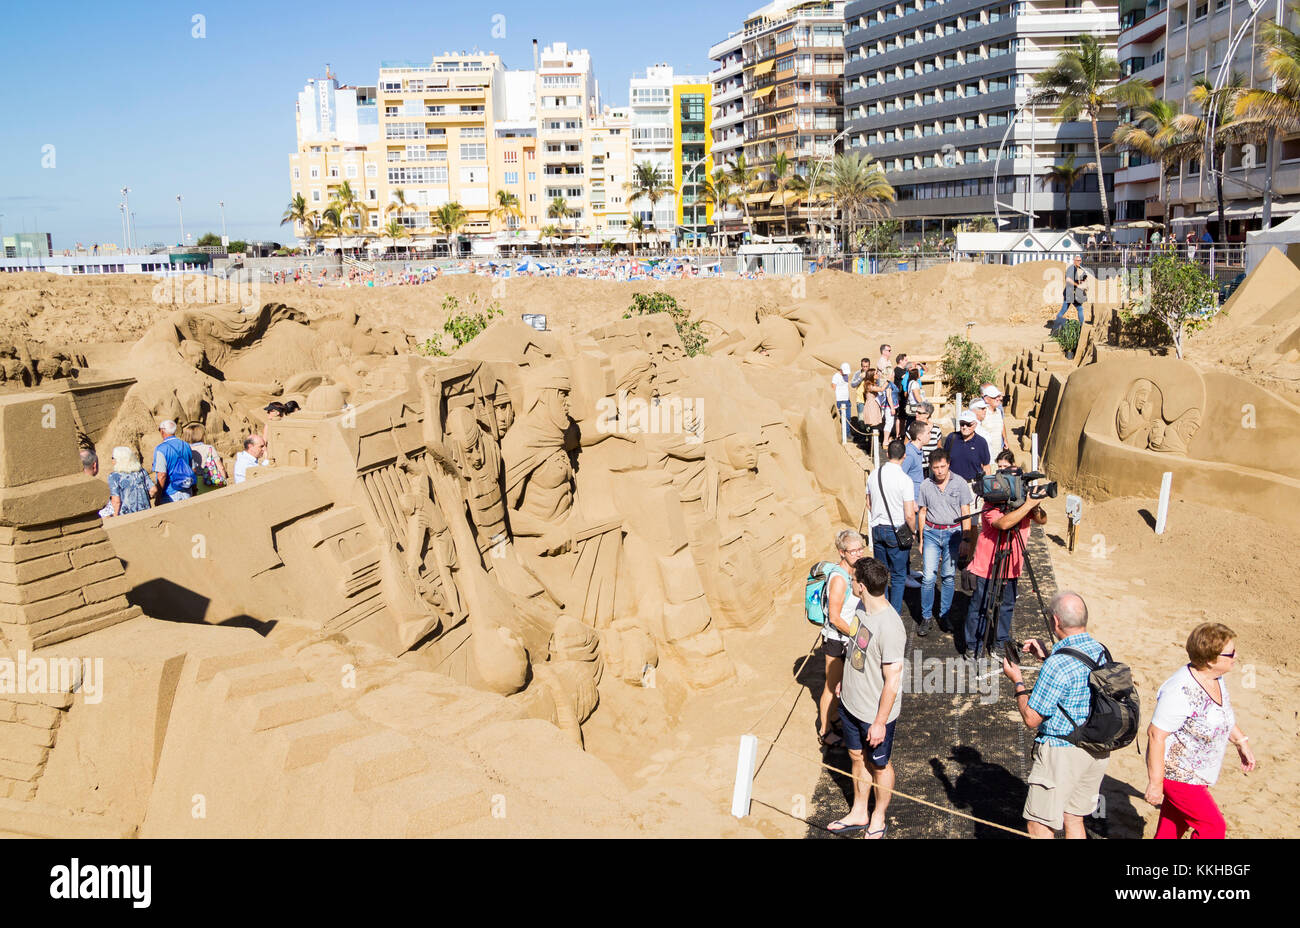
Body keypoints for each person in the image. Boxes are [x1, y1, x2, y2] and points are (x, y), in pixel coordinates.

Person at [1001, 592, 1109, 838]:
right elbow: (1077, 682)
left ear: (1056, 622)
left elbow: (1031, 718)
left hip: (1063, 752)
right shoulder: (1100, 650)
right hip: (1096, 748)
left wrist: (1017, 681)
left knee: (1039, 825)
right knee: (1074, 818)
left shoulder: (1057, 665)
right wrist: (1045, 658)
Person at [1145, 623, 1256, 839]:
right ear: (1211, 660)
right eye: (1230, 653)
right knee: (1213, 828)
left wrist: (1241, 741)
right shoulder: (1180, 690)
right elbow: (1155, 734)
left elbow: (1222, 714)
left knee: (1171, 827)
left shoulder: (1215, 678)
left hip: (1197, 774)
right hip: (1179, 776)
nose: (1236, 656)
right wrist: (1156, 783)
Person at [827, 557, 905, 838]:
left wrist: (880, 722)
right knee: (856, 757)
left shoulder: (891, 626)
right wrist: (845, 682)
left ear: (861, 586)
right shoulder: (861, 608)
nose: (849, 582)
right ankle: (859, 811)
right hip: (850, 704)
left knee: (879, 765)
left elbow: (893, 679)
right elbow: (858, 650)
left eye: (852, 580)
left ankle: (878, 817)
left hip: (874, 715)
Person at [963, 451, 1046, 660]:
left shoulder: (1020, 497)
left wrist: (1034, 505)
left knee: (1007, 606)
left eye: (1005, 468)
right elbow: (1003, 524)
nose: (1001, 473)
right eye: (998, 468)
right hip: (988, 563)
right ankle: (973, 644)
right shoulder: (992, 499)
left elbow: (1042, 520)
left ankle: (999, 643)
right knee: (980, 607)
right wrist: (1027, 505)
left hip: (1012, 564)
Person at [916, 448, 974, 637]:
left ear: (948, 464)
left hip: (953, 534)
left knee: (948, 576)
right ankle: (926, 616)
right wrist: (921, 538)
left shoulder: (960, 484)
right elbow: (922, 512)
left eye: (942, 466)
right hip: (932, 532)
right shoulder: (925, 485)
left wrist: (966, 538)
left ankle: (945, 614)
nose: (939, 471)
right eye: (936, 468)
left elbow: (966, 511)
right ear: (931, 468)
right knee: (928, 578)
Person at [818, 530, 867, 751]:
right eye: (853, 550)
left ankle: (836, 719)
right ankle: (825, 730)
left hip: (846, 638)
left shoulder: (853, 572)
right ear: (841, 552)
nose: (858, 553)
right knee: (830, 686)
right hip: (837, 640)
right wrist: (857, 635)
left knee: (842, 684)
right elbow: (835, 618)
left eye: (860, 549)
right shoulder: (839, 579)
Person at [865, 440, 916, 615]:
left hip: (877, 528)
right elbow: (909, 513)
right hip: (896, 529)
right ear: (904, 456)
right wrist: (914, 531)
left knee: (881, 572)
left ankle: (881, 609)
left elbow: (869, 503)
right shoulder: (905, 480)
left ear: (887, 454)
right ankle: (894, 613)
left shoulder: (874, 475)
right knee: (899, 575)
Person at [151, 420, 196, 504]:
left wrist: (158, 497)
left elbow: (162, 475)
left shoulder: (161, 449)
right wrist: (194, 489)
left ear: (162, 431)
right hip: (187, 489)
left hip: (169, 494)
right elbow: (193, 470)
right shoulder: (185, 445)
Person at [943, 411, 991, 485]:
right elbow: (944, 461)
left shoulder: (981, 442)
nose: (965, 427)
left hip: (972, 485)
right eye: (962, 424)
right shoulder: (951, 437)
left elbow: (986, 466)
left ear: (975, 425)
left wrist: (987, 487)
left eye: (968, 424)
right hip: (951, 483)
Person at [106, 446, 154, 516]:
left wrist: (115, 517)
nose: (112, 460)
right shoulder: (141, 471)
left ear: (119, 460)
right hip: (146, 513)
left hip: (127, 516)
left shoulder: (114, 476)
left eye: (113, 458)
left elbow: (116, 501)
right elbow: (153, 489)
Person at [183, 423, 227, 494]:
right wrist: (224, 481)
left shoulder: (185, 450)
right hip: (210, 480)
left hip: (193, 484)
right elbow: (220, 467)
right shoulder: (209, 448)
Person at [1054, 254, 1088, 328]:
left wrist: (1082, 281)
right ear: (1074, 261)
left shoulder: (1075, 269)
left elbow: (1073, 280)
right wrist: (1078, 285)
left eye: (1080, 260)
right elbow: (1068, 280)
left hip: (1070, 293)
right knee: (1079, 308)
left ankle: (1056, 325)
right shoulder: (1071, 268)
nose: (1079, 262)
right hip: (1070, 293)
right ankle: (1081, 326)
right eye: (1078, 260)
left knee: (1064, 309)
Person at [978, 385, 1009, 455]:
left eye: (999, 396)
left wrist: (1005, 439)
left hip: (997, 453)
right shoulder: (981, 413)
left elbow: (1002, 424)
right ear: (986, 399)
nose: (999, 398)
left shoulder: (999, 411)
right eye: (994, 397)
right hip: (984, 455)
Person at [913, 402, 943, 474]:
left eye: (919, 413)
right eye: (916, 412)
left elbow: (939, 447)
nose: (916, 414)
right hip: (917, 467)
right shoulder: (912, 428)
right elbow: (907, 446)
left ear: (927, 415)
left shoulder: (936, 429)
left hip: (932, 467)